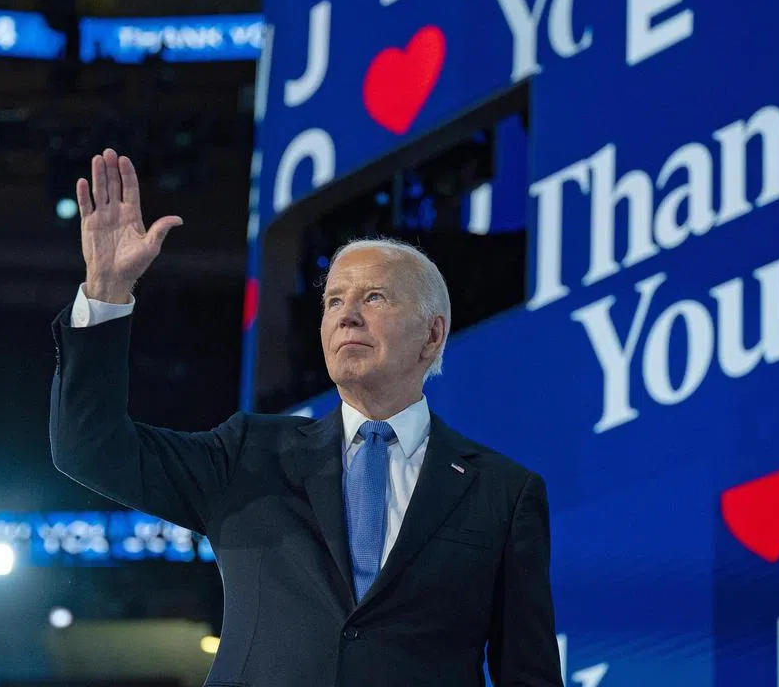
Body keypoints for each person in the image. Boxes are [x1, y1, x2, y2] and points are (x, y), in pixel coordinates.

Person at [49, 149, 564, 687]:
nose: (347, 314)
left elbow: (527, 674)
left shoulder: (502, 493)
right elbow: (89, 449)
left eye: (374, 297)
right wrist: (106, 295)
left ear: (432, 335)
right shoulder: (249, 453)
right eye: (334, 301)